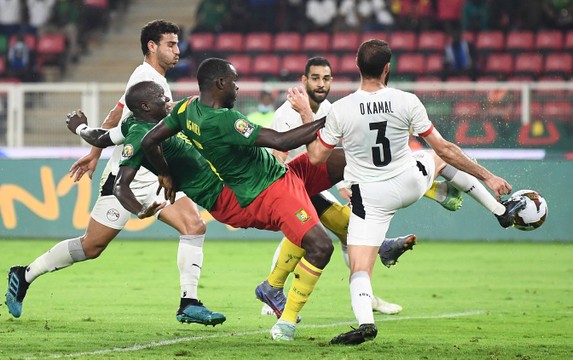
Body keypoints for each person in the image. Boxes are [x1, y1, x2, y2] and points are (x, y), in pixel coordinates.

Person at [300, 39, 526, 345]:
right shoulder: (406, 101)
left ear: (357, 67)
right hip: (409, 183)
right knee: (437, 157)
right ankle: (498, 211)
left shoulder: (341, 109)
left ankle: (365, 323)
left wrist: (305, 114)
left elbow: (315, 157)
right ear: (387, 68)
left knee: (359, 266)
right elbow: (446, 148)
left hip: (370, 198)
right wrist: (488, 176)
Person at [5, 19, 224, 327]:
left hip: (155, 173)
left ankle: (188, 302)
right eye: (170, 44)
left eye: (177, 44)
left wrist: (94, 153)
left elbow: (117, 113)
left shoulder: (153, 78)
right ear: (152, 46)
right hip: (128, 174)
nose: (178, 50)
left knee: (194, 225)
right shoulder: (144, 77)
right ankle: (24, 274)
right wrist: (97, 150)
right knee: (90, 247)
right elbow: (126, 124)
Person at [139, 57, 342, 341]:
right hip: (270, 190)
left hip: (279, 175)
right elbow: (283, 141)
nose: (237, 88)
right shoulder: (226, 121)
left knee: (340, 160)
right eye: (234, 82)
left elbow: (149, 140)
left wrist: (165, 174)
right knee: (320, 247)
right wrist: (332, 119)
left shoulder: (186, 108)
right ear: (221, 83)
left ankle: (369, 230)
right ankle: (286, 319)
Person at [262, 56, 463, 317]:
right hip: (290, 184)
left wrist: (347, 184)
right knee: (308, 234)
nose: (321, 84)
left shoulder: (331, 111)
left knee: (343, 234)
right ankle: (274, 294)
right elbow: (279, 160)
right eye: (315, 78)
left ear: (332, 81)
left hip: (312, 184)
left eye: (326, 78)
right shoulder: (287, 114)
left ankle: (364, 294)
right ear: (304, 80)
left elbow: (343, 154)